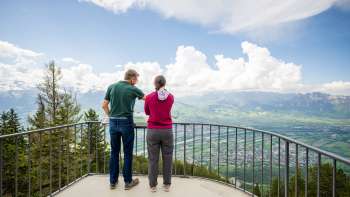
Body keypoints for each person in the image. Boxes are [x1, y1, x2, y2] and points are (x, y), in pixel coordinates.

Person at [102, 69, 145, 190]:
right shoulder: (133, 89)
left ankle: (112, 182)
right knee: (127, 153)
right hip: (126, 122)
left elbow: (104, 105)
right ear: (132, 78)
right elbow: (149, 99)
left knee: (114, 153)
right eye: (136, 79)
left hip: (113, 123)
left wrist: (111, 116)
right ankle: (128, 182)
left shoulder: (112, 87)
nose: (136, 82)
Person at [144, 75, 174, 192]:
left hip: (153, 131)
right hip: (167, 131)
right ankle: (166, 185)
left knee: (153, 159)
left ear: (155, 83)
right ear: (164, 84)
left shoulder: (149, 97)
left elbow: (147, 112)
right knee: (168, 158)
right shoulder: (171, 97)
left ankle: (153, 186)